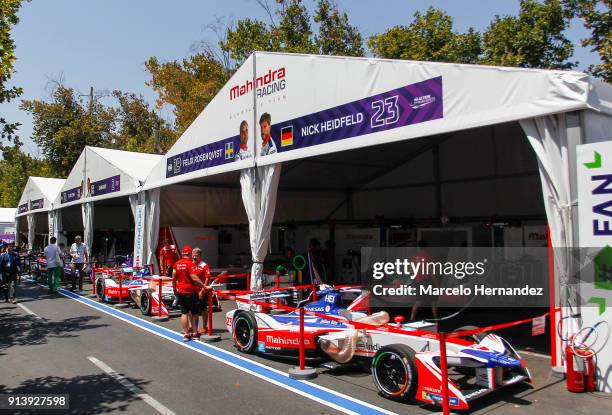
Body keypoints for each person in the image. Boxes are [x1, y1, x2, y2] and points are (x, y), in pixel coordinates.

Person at [172, 246, 205, 341]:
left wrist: (175, 290)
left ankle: (186, 334)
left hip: (180, 291)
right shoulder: (190, 264)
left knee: (184, 313)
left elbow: (173, 278)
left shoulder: (176, 264)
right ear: (190, 254)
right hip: (190, 291)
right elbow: (194, 278)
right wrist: (203, 286)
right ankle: (195, 333)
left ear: (182, 254)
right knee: (194, 313)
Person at [410, 240, 438, 320]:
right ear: (426, 247)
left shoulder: (414, 257)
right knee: (433, 302)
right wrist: (437, 285)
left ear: (418, 247)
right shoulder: (428, 257)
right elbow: (432, 272)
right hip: (427, 281)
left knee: (418, 301)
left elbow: (411, 271)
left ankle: (411, 319)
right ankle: (436, 321)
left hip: (418, 282)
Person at [190, 247, 212, 339]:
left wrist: (203, 290)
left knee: (203, 309)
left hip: (201, 291)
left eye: (196, 255)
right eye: (193, 255)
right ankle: (192, 326)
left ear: (200, 256)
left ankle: (204, 327)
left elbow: (208, 277)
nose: (194, 257)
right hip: (191, 291)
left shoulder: (204, 265)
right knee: (191, 309)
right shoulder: (190, 264)